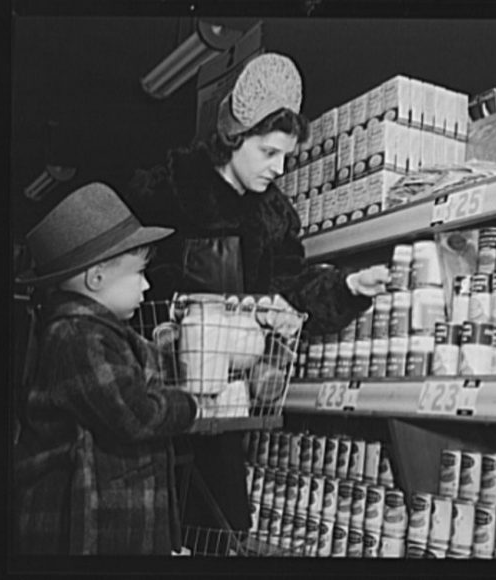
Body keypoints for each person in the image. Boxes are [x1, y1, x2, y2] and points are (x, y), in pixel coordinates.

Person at [123, 52, 389, 534]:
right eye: (269, 152)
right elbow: (124, 269)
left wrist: (348, 286)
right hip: (154, 390)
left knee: (215, 521)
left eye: (287, 156)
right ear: (235, 138)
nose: (280, 168)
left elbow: (292, 285)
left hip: (226, 396)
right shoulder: (172, 189)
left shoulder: (275, 217)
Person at [13, 182, 198, 555]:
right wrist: (190, 406)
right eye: (138, 273)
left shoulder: (95, 331)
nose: (146, 285)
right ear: (95, 278)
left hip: (107, 512)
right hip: (83, 521)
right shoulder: (77, 336)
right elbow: (135, 414)